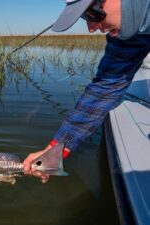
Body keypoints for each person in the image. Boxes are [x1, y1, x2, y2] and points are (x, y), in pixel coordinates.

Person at [23, 0, 150, 183]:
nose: (91, 28)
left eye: (93, 13)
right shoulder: (126, 34)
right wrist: (54, 151)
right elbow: (105, 88)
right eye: (85, 17)